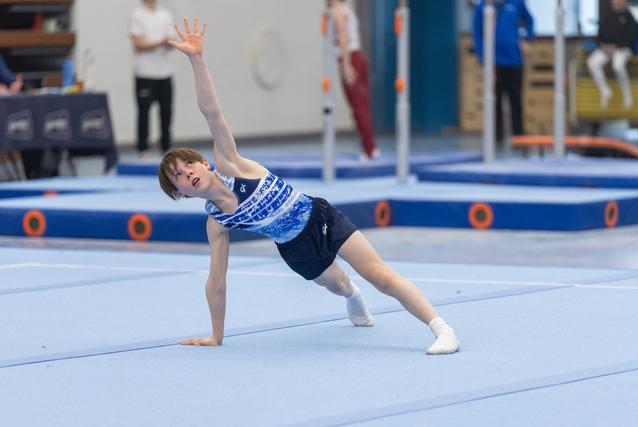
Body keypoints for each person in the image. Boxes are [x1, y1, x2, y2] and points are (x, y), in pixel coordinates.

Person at [158, 18, 460, 355]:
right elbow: (216, 283)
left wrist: (197, 60)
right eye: (179, 178)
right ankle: (353, 296)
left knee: (381, 276)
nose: (187, 174)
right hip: (294, 248)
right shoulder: (217, 222)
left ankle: (441, 328)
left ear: (204, 162)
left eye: (188, 165)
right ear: (181, 193)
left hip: (321, 218)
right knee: (339, 285)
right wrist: (216, 335)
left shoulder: (231, 164)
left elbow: (211, 111)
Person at [473, 0, 534, 148]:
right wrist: (483, 58)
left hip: (514, 60)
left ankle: (519, 137)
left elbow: (529, 20)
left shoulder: (517, 3)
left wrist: (527, 39)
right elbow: (477, 34)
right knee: (495, 101)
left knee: (516, 100)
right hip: (494, 63)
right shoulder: (483, 6)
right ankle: (497, 138)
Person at [329, 0, 379, 160]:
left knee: (358, 108)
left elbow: (343, 35)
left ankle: (369, 150)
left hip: (350, 59)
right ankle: (370, 147)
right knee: (363, 105)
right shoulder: (348, 10)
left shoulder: (337, 11)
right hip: (358, 56)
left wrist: (346, 64)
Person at [129, 0, 174, 156]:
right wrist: (159, 43)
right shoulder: (137, 14)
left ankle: (166, 147)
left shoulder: (165, 15)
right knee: (144, 112)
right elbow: (138, 43)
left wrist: (165, 43)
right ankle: (143, 148)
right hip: (145, 73)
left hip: (165, 72)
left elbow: (171, 41)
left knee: (166, 111)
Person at [587, 0, 637, 110]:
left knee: (617, 66)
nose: (617, 3)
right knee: (592, 63)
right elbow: (599, 34)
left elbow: (631, 38)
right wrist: (603, 45)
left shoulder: (629, 17)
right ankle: (605, 91)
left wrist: (617, 46)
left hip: (622, 49)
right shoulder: (607, 16)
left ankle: (627, 96)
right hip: (606, 48)